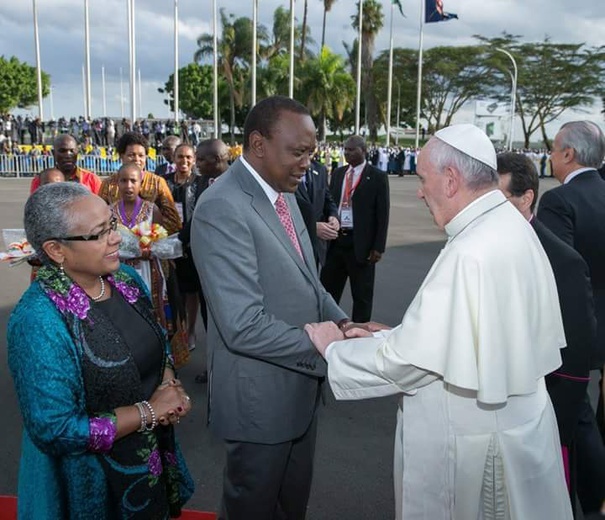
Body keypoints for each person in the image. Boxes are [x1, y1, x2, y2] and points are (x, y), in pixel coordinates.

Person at [306, 124, 573, 519]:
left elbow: (412, 362)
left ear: (451, 180)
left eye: (423, 179)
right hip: (515, 430)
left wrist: (334, 347)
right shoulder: (507, 223)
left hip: (475, 445)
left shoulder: (472, 249)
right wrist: (396, 334)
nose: (418, 191)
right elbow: (467, 335)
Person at [190, 96, 349, 520]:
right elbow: (242, 324)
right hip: (259, 404)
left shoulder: (286, 196)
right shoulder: (222, 207)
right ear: (258, 145)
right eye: (297, 152)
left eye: (311, 153)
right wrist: (325, 342)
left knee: (289, 509)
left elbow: (311, 285)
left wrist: (344, 322)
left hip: (299, 392)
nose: (307, 165)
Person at [8, 182, 194, 518]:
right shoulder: (38, 319)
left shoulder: (124, 280)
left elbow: (156, 341)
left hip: (147, 468)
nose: (116, 238)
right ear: (55, 250)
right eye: (98, 233)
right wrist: (149, 412)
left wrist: (169, 383)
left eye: (111, 225)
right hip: (93, 487)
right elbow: (57, 429)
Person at [497, 151, 597, 509]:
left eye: (500, 199)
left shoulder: (562, 262)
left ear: (526, 199)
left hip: (541, 416)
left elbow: (572, 364)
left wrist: (558, 427)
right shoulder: (480, 248)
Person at [537, 120, 605, 516]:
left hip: (579, 328)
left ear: (568, 154)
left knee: (577, 418)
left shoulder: (560, 201)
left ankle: (593, 501)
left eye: (553, 149)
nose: (550, 156)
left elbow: (559, 269)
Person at [320, 135, 390, 322]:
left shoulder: (377, 177)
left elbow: (382, 214)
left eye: (351, 150)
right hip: (336, 242)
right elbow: (329, 203)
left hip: (361, 245)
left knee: (362, 296)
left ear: (363, 151)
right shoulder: (338, 173)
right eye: (345, 150)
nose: (347, 153)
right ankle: (327, 329)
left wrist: (378, 247)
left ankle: (360, 334)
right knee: (328, 292)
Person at [113, 163, 169, 331]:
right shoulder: (109, 211)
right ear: (117, 182)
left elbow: (161, 242)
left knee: (150, 311)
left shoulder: (152, 210)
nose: (128, 186)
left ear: (141, 183)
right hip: (119, 271)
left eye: (133, 181)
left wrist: (150, 250)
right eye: (123, 181)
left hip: (147, 269)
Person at [99, 132, 182, 235]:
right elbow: (99, 217)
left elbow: (172, 220)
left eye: (141, 155)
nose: (137, 160)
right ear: (121, 156)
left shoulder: (157, 182)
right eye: (131, 155)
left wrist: (154, 236)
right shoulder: (108, 184)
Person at [165, 144, 201, 351]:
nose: (184, 162)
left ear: (194, 159)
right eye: (180, 157)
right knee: (173, 289)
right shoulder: (165, 181)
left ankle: (191, 330)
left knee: (191, 291)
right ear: (174, 158)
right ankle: (177, 330)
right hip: (167, 241)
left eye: (188, 157)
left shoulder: (199, 183)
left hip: (191, 242)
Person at [294, 158, 339, 266]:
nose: (306, 160)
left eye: (309, 152)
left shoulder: (320, 169)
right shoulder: (284, 171)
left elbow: (327, 198)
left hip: (317, 245)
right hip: (295, 244)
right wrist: (312, 227)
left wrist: (333, 216)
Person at [29, 134, 102, 194]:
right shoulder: (41, 179)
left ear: (77, 152)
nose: (68, 155)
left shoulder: (92, 180)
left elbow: (102, 208)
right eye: (62, 151)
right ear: (54, 153)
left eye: (72, 151)